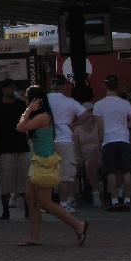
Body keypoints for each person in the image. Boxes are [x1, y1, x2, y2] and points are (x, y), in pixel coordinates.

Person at [15, 85, 88, 247]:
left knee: (45, 202)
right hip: (37, 161)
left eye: (28, 98)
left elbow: (20, 127)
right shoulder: (41, 116)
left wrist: (28, 110)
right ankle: (34, 237)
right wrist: (28, 110)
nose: (26, 101)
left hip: (45, 162)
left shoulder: (43, 117)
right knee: (30, 198)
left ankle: (78, 225)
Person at [0, 78, 30, 221]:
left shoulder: (21, 105)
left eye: (14, 88)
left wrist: (24, 99)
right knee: (5, 181)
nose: (12, 91)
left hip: (22, 147)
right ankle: (5, 210)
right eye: (10, 88)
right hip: (4, 148)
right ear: (4, 89)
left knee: (25, 180)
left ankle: (28, 209)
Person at [47, 75, 90, 213]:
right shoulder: (70, 102)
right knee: (65, 175)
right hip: (65, 140)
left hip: (46, 141)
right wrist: (73, 125)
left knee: (46, 174)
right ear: (63, 86)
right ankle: (64, 204)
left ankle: (45, 204)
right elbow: (85, 115)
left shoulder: (44, 99)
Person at [95, 75, 131, 212]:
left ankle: (114, 201)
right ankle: (127, 200)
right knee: (126, 171)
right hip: (123, 139)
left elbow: (100, 127)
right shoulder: (125, 103)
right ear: (117, 86)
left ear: (105, 86)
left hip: (108, 140)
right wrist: (123, 126)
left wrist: (100, 141)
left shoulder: (99, 105)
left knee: (111, 172)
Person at [72, 101, 103, 207]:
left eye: (91, 111)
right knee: (72, 168)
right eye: (88, 111)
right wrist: (80, 157)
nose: (90, 114)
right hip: (82, 154)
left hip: (97, 153)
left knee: (90, 164)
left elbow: (102, 140)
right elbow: (76, 147)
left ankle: (96, 194)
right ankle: (72, 196)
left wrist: (98, 150)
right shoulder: (77, 128)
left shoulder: (98, 125)